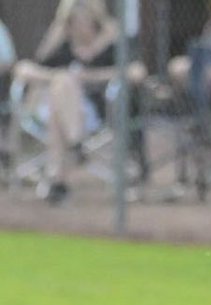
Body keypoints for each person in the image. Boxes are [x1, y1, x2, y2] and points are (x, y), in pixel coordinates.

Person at [11, 0, 132, 204]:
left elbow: (136, 71)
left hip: (90, 113)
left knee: (57, 113)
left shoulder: (109, 47)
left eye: (83, 22)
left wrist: (89, 77)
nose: (78, 28)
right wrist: (59, 77)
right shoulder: (63, 48)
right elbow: (23, 68)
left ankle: (58, 181)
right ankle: (76, 145)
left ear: (94, 22)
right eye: (72, 23)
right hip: (58, 112)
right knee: (62, 85)